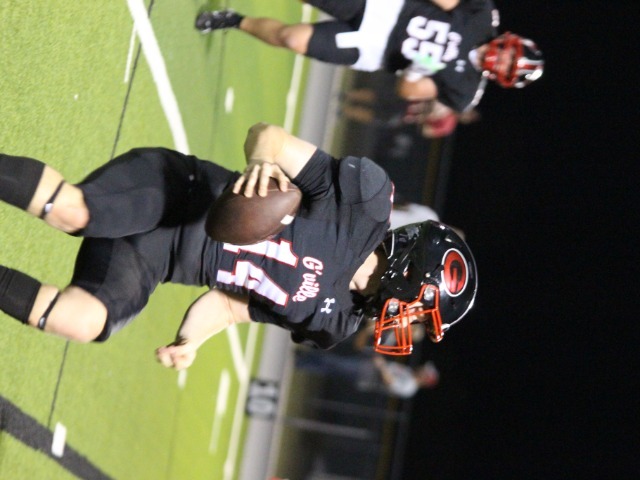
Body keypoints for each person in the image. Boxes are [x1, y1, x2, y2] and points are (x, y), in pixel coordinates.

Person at [0, 123, 477, 369]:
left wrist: (191, 341)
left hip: (157, 260)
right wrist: (262, 160)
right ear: (412, 269)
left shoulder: (333, 324)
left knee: (82, 321)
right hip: (179, 194)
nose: (407, 321)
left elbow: (231, 308)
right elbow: (268, 136)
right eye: (419, 310)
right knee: (76, 212)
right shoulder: (363, 206)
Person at [195, 0, 544, 112]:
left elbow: (408, 92)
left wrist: (417, 71)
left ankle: (233, 21)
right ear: (510, 42)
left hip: (375, 48)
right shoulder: (481, 17)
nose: (502, 62)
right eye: (510, 57)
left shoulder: (465, 90)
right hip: (384, 7)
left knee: (292, 38)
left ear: (504, 78)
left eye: (509, 68)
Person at [295, 347, 440, 398]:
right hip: (366, 368)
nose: (422, 368)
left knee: (334, 363)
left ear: (425, 379)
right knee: (333, 366)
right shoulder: (409, 372)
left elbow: (390, 382)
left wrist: (381, 366)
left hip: (365, 376)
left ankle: (302, 360)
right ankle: (303, 360)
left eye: (425, 371)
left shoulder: (409, 387)